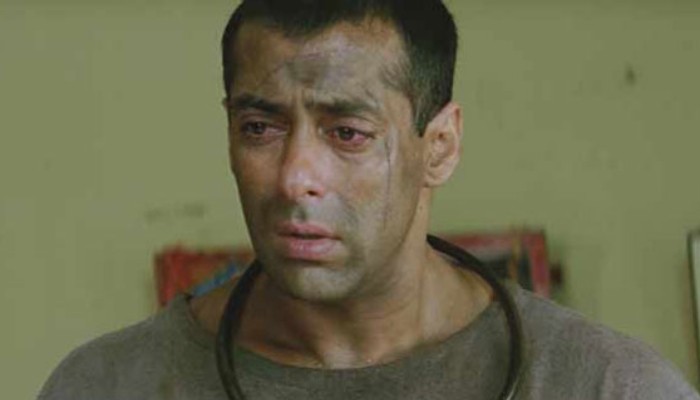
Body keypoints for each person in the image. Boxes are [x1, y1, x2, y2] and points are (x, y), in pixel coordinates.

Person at [39, 1, 700, 399]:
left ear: (439, 146)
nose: (295, 177)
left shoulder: (607, 386)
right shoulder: (108, 385)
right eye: (260, 127)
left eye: (348, 133)